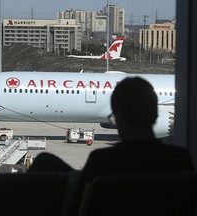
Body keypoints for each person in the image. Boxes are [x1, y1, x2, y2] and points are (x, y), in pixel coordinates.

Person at [28, 76, 194, 215]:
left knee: (45, 161)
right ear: (155, 114)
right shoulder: (180, 159)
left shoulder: (102, 160)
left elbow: (75, 209)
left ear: (118, 118)